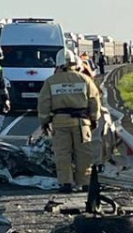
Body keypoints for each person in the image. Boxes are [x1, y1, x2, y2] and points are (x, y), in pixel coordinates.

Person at [38, 48, 102, 194]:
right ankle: (85, 183)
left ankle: (65, 183)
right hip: (82, 124)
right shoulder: (84, 79)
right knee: (84, 154)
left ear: (58, 64)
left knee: (62, 154)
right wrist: (94, 118)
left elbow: (43, 104)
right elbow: (94, 100)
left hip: (60, 123)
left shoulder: (50, 82)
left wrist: (44, 121)